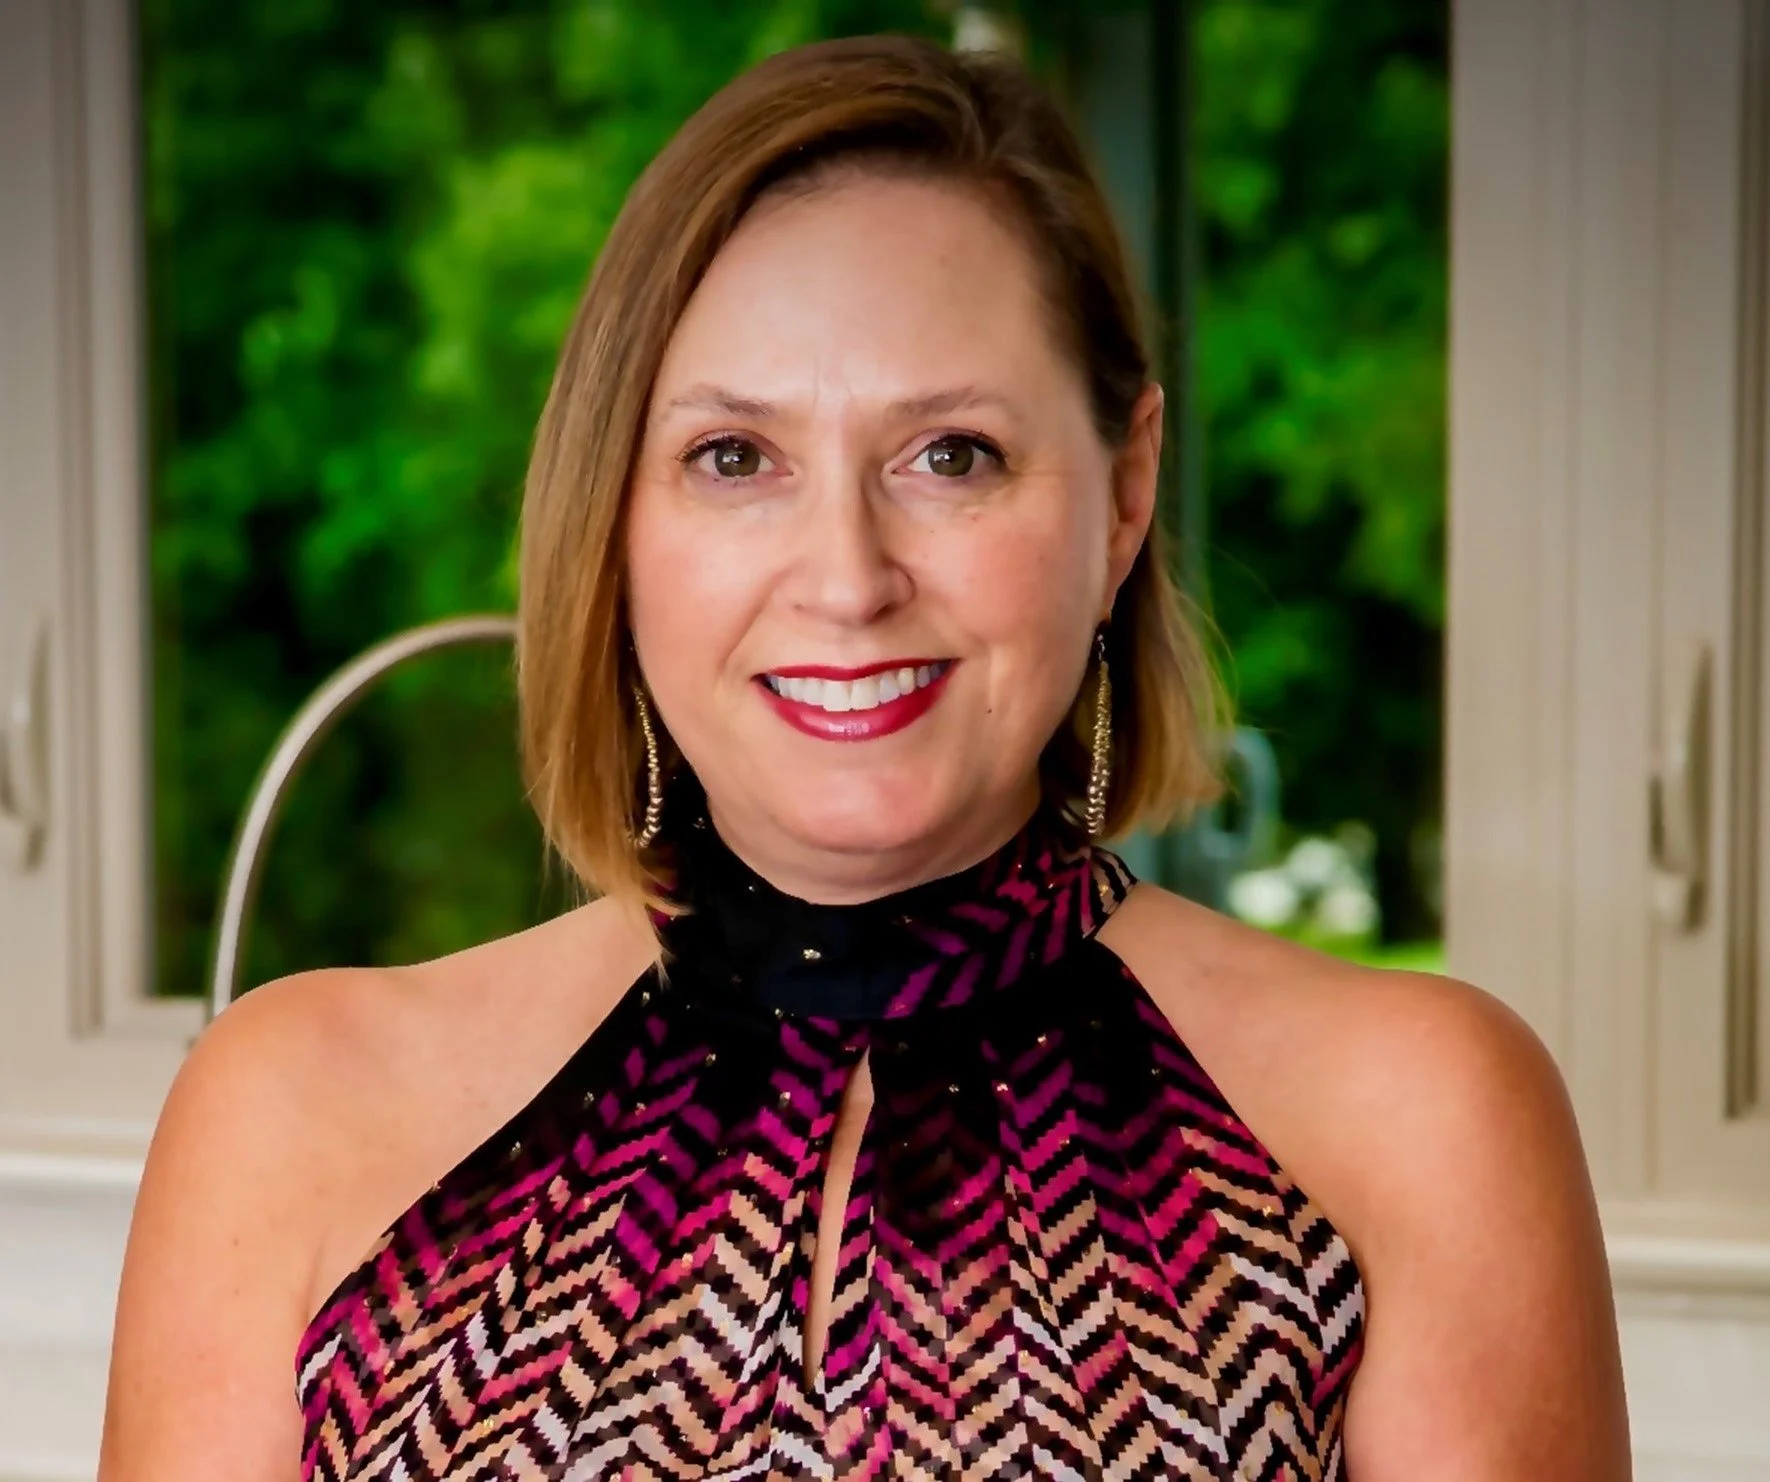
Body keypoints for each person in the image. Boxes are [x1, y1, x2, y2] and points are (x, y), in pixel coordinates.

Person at [99, 33, 1631, 1482]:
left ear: (1122, 495)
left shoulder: (1420, 1121)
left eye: (948, 455)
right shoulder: (292, 1115)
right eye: (732, 457)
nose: (845, 576)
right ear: (613, 525)